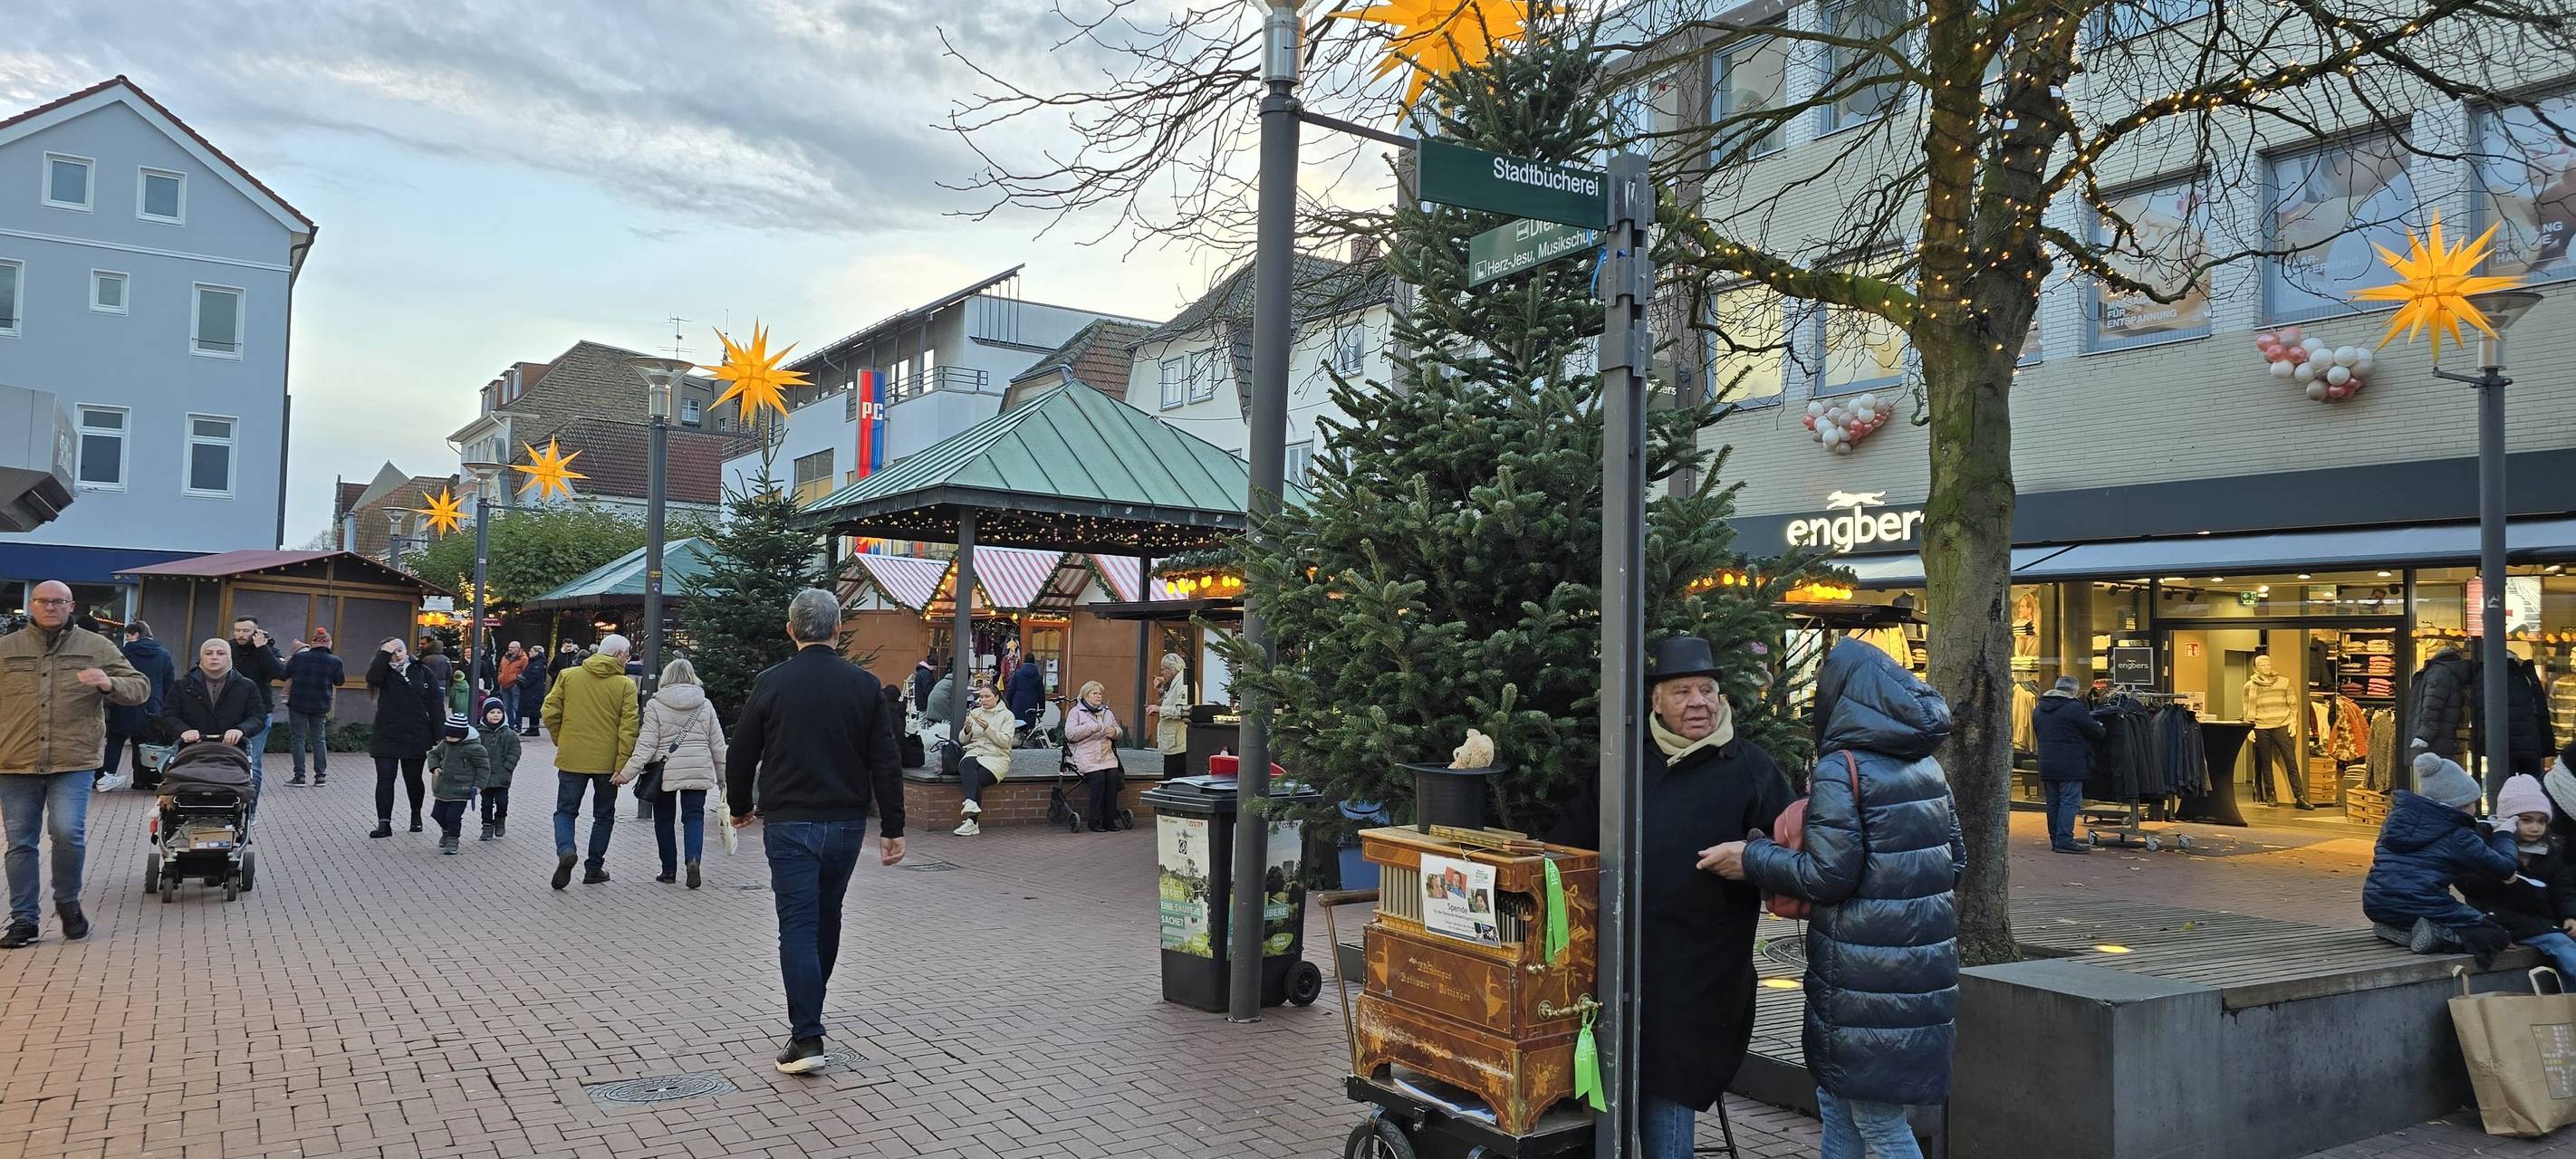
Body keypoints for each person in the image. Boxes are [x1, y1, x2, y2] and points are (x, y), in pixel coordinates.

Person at [1716, 641, 1964, 1159]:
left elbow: (1828, 875)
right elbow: (1955, 861)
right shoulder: (1924, 765)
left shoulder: (1841, 766)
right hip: (1918, 967)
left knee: (1876, 1120)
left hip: (1861, 972)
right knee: (1838, 1101)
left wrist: (1754, 855)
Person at [1547, 636, 1792, 1159]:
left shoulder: (1750, 767)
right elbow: (1570, 845)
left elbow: (1796, 852)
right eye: (1682, 691)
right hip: (1615, 964)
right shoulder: (1624, 764)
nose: (1698, 703)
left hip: (1701, 973)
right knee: (1607, 1083)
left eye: (1708, 690)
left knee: (1669, 1083)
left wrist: (1752, 858)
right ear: (1656, 701)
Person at [726, 589, 905, 1074]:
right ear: (838, 628)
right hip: (845, 822)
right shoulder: (863, 685)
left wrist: (739, 806)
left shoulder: (772, 683)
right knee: (827, 916)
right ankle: (809, 1021)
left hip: (789, 822)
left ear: (791, 629)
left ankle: (807, 1035)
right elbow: (885, 761)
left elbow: (741, 753)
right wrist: (893, 826)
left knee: (798, 926)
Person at [0, 581, 149, 949]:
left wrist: (108, 682)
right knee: (20, 842)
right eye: (43, 601)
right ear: (32, 606)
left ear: (71, 606)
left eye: (58, 602)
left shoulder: (96, 646)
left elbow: (140, 687)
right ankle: (24, 920)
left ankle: (67, 901)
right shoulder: (7, 649)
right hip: (14, 761)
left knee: (67, 832)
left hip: (73, 760)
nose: (50, 607)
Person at [2363, 752, 2518, 960]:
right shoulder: (2459, 835)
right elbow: (2505, 867)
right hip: (2421, 902)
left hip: (2375, 902)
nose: (2475, 808)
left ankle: (2402, 931)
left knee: (2424, 914)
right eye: (2474, 801)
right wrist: (2504, 834)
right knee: (2495, 935)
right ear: (2464, 803)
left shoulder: (2397, 821)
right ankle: (2438, 936)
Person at [617, 658, 727, 888]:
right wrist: (724, 778)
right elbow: (718, 744)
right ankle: (693, 860)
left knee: (664, 820)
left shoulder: (656, 704)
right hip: (698, 768)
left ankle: (668, 870)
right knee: (694, 818)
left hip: (664, 772)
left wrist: (627, 773)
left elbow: (646, 744)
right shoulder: (704, 704)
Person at [544, 634, 639, 889]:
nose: (628, 659)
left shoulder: (569, 676)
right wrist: (622, 765)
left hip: (571, 756)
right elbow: (628, 728)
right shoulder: (625, 685)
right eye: (627, 654)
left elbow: (550, 711)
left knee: (565, 810)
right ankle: (594, 868)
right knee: (604, 816)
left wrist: (559, 738)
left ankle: (566, 849)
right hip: (607, 762)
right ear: (619, 655)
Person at [2462, 774, 2576, 978]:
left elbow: (2563, 889)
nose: (2535, 827)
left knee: (2564, 945)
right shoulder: (2488, 847)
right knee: (2562, 946)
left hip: (2541, 921)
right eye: (2526, 820)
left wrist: (2570, 914)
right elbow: (2470, 885)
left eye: (2541, 821)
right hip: (2503, 922)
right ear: (2509, 820)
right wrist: (2498, 879)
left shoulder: (2549, 851)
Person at [368, 637, 443, 838]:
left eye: (399, 650)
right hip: (387, 732)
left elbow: (436, 705)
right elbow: (372, 679)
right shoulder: (383, 673)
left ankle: (416, 815)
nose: (397, 655)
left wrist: (440, 736)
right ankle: (384, 823)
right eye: (392, 652)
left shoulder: (422, 671)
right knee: (385, 778)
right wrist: (384, 653)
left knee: (413, 779)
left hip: (416, 732)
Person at [2031, 675, 2104, 855]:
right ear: (2074, 691)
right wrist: (2101, 727)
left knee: (2053, 803)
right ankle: (2064, 840)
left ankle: (2055, 838)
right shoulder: (2074, 708)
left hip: (2047, 762)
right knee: (2069, 802)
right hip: (2071, 763)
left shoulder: (2039, 709)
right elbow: (2095, 731)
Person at [101, 620, 177, 791]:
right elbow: (169, 682)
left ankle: (107, 775)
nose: (127, 639)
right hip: (151, 705)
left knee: (115, 739)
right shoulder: (164, 655)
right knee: (142, 743)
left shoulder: (123, 653)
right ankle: (141, 780)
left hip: (123, 702)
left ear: (136, 634)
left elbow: (112, 675)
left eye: (128, 636)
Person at [951, 682, 1017, 837]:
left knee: (976, 780)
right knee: (967, 763)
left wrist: (988, 728)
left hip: (996, 758)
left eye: (987, 696)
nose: (983, 700)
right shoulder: (975, 712)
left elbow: (1005, 742)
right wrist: (967, 730)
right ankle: (971, 808)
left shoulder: (1007, 716)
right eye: (981, 697)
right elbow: (963, 741)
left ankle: (972, 822)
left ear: (997, 697)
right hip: (974, 753)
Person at [283, 627, 345, 786]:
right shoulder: (335, 661)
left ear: (312, 642)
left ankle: (300, 776)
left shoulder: (299, 658)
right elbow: (339, 681)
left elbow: (285, 674)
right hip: (320, 704)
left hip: (298, 703)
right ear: (329, 643)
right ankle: (320, 776)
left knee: (298, 739)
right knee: (319, 739)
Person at [423, 711, 492, 855]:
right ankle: (446, 831)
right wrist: (434, 767)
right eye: (448, 735)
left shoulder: (475, 748)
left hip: (462, 787)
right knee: (438, 814)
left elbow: (483, 768)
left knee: (453, 816)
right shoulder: (446, 743)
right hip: (443, 786)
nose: (450, 738)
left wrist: (478, 786)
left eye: (454, 736)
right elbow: (433, 754)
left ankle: (453, 839)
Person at [1065, 681, 1125, 832]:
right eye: (1095, 693)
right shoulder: (1076, 712)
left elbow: (1118, 730)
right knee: (1098, 779)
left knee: (1113, 777)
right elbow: (1070, 734)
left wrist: (1115, 732)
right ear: (1086, 696)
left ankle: (1109, 820)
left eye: (1100, 694)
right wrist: (1092, 728)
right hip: (1086, 754)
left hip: (1106, 755)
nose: (1099, 696)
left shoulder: (1107, 712)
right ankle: (1095, 821)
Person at [229, 618, 287, 771]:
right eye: (237, 630)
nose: (240, 634)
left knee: (252, 761)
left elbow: (281, 673)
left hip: (260, 711)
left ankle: (251, 795)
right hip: (230, 710)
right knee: (228, 759)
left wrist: (262, 648)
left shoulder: (267, 649)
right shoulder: (228, 648)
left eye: (245, 631)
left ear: (256, 632)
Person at [476, 697, 522, 840]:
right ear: (485, 715)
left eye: (498, 712)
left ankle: (500, 818)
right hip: (485, 776)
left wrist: (508, 767)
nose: (495, 715)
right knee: (486, 803)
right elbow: (474, 751)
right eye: (491, 712)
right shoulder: (479, 734)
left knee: (502, 801)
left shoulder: (509, 734)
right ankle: (487, 826)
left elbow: (515, 751)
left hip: (503, 775)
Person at [1147, 652, 1188, 778]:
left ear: (1170, 669)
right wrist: (1161, 691)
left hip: (1178, 742)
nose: (1161, 673)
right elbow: (1172, 702)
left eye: (1163, 669)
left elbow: (1183, 710)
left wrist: (1159, 709)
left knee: (1173, 779)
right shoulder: (1176, 682)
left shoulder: (1183, 683)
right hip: (1173, 741)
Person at [516, 647, 552, 738]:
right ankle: (532, 727)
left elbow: (532, 677)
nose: (529, 652)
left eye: (531, 651)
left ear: (537, 652)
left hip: (534, 690)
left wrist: (522, 681)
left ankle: (534, 728)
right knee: (532, 709)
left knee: (534, 710)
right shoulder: (533, 662)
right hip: (532, 690)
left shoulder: (538, 663)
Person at [1007, 651, 1045, 732]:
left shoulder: (1017, 674)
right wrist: (1042, 708)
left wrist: (1008, 704)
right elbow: (1041, 694)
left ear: (1024, 661)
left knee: (1016, 726)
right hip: (1032, 703)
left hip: (1017, 702)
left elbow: (1010, 690)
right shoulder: (1038, 677)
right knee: (1029, 727)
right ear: (1034, 662)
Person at [497, 642, 531, 732]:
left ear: (518, 648)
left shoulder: (524, 659)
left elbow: (525, 672)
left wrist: (517, 680)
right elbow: (500, 670)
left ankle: (518, 725)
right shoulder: (505, 657)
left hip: (515, 685)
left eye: (512, 647)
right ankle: (511, 725)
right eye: (509, 647)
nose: (510, 649)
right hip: (504, 684)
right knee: (507, 706)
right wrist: (500, 679)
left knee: (516, 706)